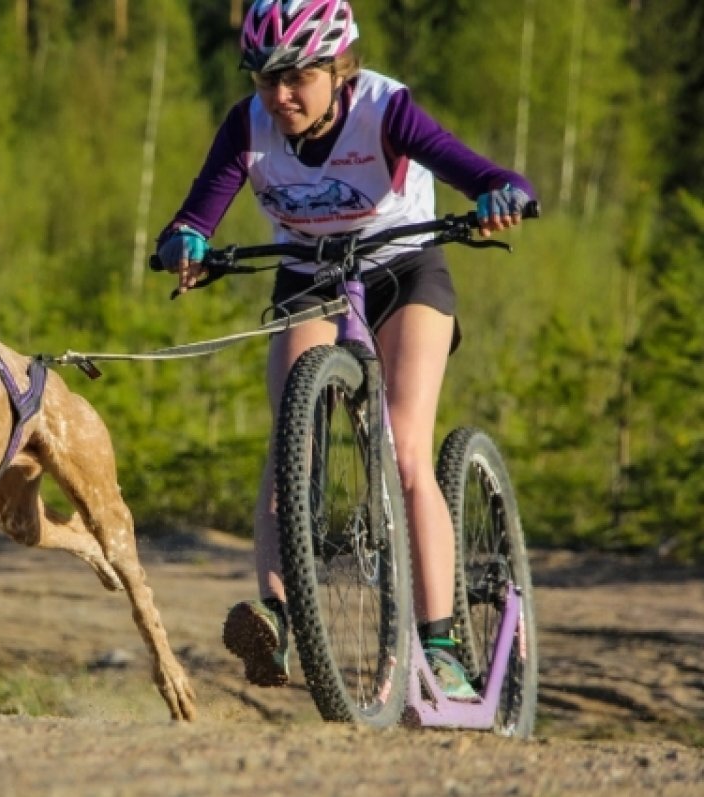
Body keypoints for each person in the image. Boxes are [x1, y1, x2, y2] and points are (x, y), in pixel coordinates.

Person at [155, 0, 534, 697]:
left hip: (405, 269)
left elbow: (470, 169)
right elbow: (199, 209)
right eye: (266, 78)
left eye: (297, 76)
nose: (281, 94)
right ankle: (276, 617)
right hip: (311, 272)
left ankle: (442, 643)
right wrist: (186, 242)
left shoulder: (386, 110)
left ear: (339, 67)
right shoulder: (249, 124)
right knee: (290, 437)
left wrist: (500, 193)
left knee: (407, 447)